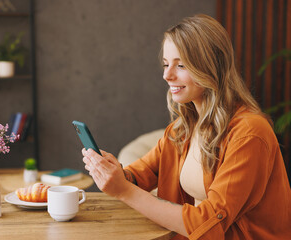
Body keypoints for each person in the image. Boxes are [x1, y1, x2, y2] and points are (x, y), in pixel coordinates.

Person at [81, 14, 291, 239]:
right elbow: (142, 173)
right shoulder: (183, 130)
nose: (167, 75)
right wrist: (114, 172)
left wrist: (124, 191)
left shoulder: (250, 133)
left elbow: (209, 224)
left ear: (211, 68)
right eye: (165, 64)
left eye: (180, 65)